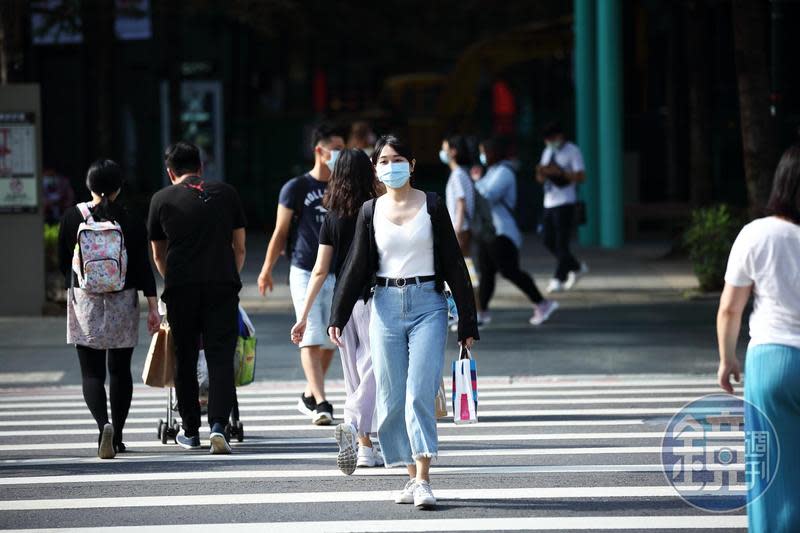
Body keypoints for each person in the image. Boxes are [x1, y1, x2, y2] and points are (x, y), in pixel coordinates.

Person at [328, 134, 478, 510]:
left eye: (397, 160)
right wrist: (338, 314)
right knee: (391, 398)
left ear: (411, 165)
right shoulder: (369, 211)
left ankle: (425, 479)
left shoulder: (432, 205)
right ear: (375, 169)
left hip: (428, 302)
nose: (390, 166)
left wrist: (468, 323)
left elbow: (455, 263)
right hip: (384, 306)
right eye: (383, 161)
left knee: (418, 392)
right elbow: (355, 265)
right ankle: (410, 475)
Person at [717, 144, 800, 533]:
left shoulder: (757, 234)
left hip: (771, 360)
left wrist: (727, 358)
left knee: (770, 472)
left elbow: (731, 308)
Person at [148, 141, 247, 454]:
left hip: (181, 287)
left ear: (170, 172)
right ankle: (219, 425)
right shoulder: (226, 193)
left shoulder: (160, 199)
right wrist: (229, 274)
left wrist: (173, 278)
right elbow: (240, 247)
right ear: (201, 167)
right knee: (220, 356)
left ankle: (190, 430)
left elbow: (158, 253)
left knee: (186, 355)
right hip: (222, 284)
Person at [58, 159, 160, 459]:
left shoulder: (72, 216)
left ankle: (102, 425)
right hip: (122, 299)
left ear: (89, 185)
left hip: (85, 298)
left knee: (91, 373)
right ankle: (118, 434)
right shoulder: (128, 216)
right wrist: (153, 306)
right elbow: (142, 266)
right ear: (118, 188)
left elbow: (64, 263)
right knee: (119, 370)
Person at [290, 148, 383, 474]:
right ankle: (354, 420)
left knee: (353, 376)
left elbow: (319, 270)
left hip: (342, 304)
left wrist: (303, 314)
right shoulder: (377, 210)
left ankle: (366, 451)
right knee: (376, 370)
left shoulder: (331, 217)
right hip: (376, 299)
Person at [258, 124, 345, 425]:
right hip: (305, 269)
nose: (340, 154)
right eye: (336, 148)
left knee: (332, 338)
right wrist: (267, 268)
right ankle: (321, 402)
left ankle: (310, 393)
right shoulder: (296, 188)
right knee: (310, 332)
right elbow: (280, 231)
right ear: (319, 151)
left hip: (338, 270)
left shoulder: (342, 186)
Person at [476, 137, 557, 326]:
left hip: (502, 232)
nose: (482, 156)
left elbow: (488, 195)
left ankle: (543, 303)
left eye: (484, 152)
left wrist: (475, 183)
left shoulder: (504, 172)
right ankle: (482, 312)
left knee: (510, 271)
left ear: (493, 152)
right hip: (490, 231)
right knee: (487, 272)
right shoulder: (492, 171)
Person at [535, 121, 589, 293]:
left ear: (560, 136)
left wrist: (560, 173)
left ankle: (559, 277)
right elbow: (540, 177)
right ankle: (577, 267)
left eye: (551, 138)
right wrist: (542, 173)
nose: (549, 142)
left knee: (561, 242)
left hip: (565, 201)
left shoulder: (572, 151)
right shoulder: (547, 151)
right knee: (546, 238)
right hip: (549, 201)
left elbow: (581, 176)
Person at [439, 135, 475, 255]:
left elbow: (461, 201)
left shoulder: (457, 175)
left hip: (460, 227)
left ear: (453, 152)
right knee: (465, 262)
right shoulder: (461, 173)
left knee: (460, 263)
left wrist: (457, 229)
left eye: (444, 149)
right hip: (462, 226)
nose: (442, 153)